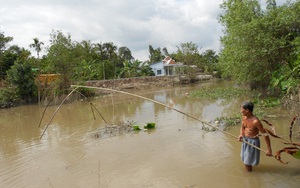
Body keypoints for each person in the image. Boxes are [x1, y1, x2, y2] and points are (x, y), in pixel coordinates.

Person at [238, 101, 272, 172]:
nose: (240, 111)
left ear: (247, 110)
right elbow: (242, 127)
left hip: (252, 142)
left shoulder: (256, 122)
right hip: (245, 140)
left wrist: (269, 149)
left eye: (242, 109)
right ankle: (249, 174)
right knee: (245, 160)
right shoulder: (244, 117)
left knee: (247, 163)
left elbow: (265, 135)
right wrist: (241, 134)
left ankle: (249, 177)